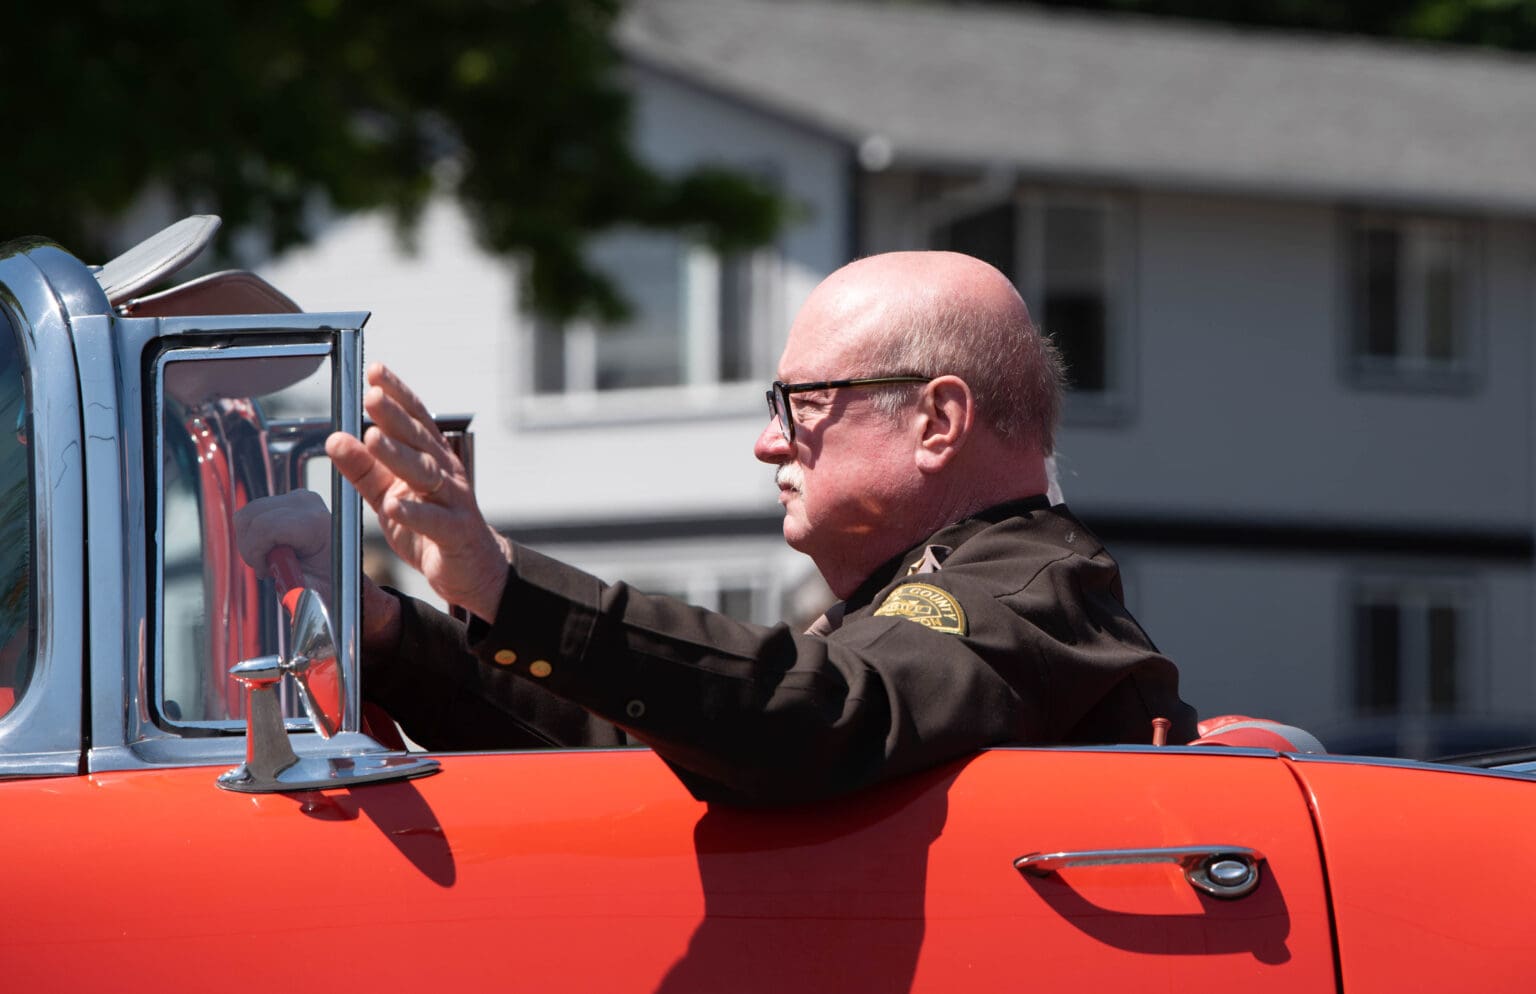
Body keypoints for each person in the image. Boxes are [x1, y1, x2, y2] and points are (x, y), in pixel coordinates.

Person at [236, 251, 1197, 804]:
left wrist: (504, 584)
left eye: (802, 402)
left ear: (937, 422)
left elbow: (817, 713)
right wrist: (388, 632)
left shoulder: (1030, 592)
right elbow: (639, 755)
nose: (768, 445)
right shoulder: (942, 596)